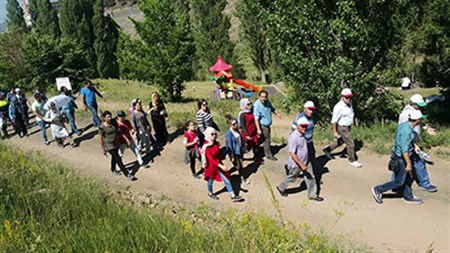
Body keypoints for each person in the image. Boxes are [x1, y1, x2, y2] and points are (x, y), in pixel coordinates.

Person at [371, 110, 425, 205]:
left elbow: (405, 142)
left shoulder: (404, 125)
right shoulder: (406, 131)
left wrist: (414, 146)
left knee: (409, 177)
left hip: (399, 156)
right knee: (399, 181)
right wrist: (408, 164)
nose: (421, 121)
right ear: (417, 120)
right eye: (420, 119)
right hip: (401, 159)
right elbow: (404, 151)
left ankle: (408, 196)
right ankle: (378, 189)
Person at [276, 117, 324, 201]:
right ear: (297, 126)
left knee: (311, 176)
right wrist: (301, 164)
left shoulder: (303, 134)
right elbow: (292, 153)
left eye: (305, 126)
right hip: (296, 164)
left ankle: (312, 194)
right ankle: (281, 188)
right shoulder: (294, 137)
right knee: (292, 177)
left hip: (306, 160)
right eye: (302, 126)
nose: (304, 128)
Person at [397, 94, 437, 193]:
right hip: (409, 143)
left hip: (412, 142)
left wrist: (427, 128)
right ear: (413, 104)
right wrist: (414, 145)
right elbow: (404, 132)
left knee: (405, 164)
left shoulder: (415, 112)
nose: (422, 107)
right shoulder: (405, 115)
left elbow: (419, 122)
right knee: (415, 162)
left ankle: (397, 183)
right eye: (420, 105)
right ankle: (424, 184)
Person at [323, 88, 362, 168]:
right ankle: (352, 160)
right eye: (346, 97)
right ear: (342, 97)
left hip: (348, 126)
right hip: (342, 127)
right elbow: (334, 121)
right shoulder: (338, 107)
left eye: (350, 97)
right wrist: (335, 132)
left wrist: (355, 121)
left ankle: (328, 150)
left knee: (341, 141)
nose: (348, 99)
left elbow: (352, 113)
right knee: (351, 144)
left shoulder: (350, 103)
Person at [202, 127, 243, 202]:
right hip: (211, 167)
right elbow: (211, 159)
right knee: (210, 181)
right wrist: (220, 165)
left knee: (226, 179)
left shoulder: (215, 144)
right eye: (212, 134)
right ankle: (210, 193)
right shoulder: (206, 147)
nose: (214, 136)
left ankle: (233, 195)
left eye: (215, 134)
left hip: (218, 164)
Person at [99, 111, 136, 181]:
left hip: (116, 143)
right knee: (118, 159)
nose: (110, 118)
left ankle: (113, 169)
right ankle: (127, 174)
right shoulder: (102, 127)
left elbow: (118, 131)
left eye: (110, 116)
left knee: (114, 157)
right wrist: (103, 149)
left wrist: (125, 138)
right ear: (104, 118)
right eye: (108, 117)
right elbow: (101, 139)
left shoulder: (113, 122)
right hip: (109, 145)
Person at [253, 90, 281, 161]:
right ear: (259, 97)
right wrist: (258, 129)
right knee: (266, 140)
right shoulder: (257, 105)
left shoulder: (267, 102)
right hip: (262, 125)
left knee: (262, 140)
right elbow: (256, 118)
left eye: (265, 97)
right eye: (262, 97)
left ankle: (258, 152)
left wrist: (277, 113)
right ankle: (268, 154)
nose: (263, 99)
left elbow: (271, 108)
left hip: (267, 124)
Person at [225, 116, 248, 184]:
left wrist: (244, 145)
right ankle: (242, 178)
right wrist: (232, 156)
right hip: (234, 153)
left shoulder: (236, 130)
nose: (236, 125)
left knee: (240, 165)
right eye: (233, 124)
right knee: (239, 166)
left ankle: (236, 175)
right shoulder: (228, 134)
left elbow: (241, 139)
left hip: (240, 150)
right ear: (230, 125)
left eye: (236, 123)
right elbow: (229, 145)